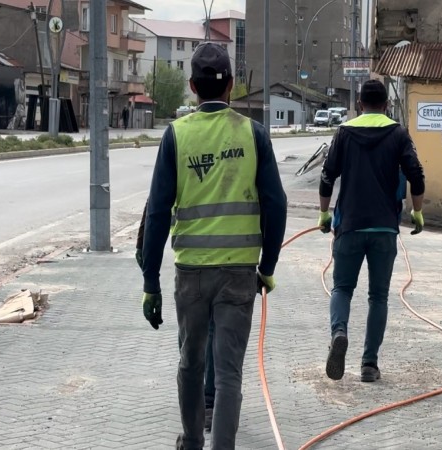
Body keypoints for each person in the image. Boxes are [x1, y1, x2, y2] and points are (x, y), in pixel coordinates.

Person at [139, 42, 288, 450]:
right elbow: (276, 204)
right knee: (228, 373)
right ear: (232, 85)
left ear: (192, 86)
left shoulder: (176, 135)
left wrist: (150, 283)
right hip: (239, 274)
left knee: (191, 363)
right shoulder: (253, 134)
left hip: (191, 272)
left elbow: (156, 213)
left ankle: (191, 441)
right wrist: (268, 267)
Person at [318, 79, 426, 383]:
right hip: (384, 228)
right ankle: (369, 364)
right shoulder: (398, 134)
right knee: (378, 296)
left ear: (359, 104)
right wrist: (417, 212)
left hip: (349, 225)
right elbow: (416, 175)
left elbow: (327, 176)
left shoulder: (344, 133)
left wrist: (324, 214)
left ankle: (339, 333)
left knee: (342, 289)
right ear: (387, 105)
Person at [135, 205, 216, 432]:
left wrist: (142, 246)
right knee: (210, 332)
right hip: (230, 262)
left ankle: (201, 402)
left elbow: (156, 206)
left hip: (191, 264)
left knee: (193, 334)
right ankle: (208, 402)